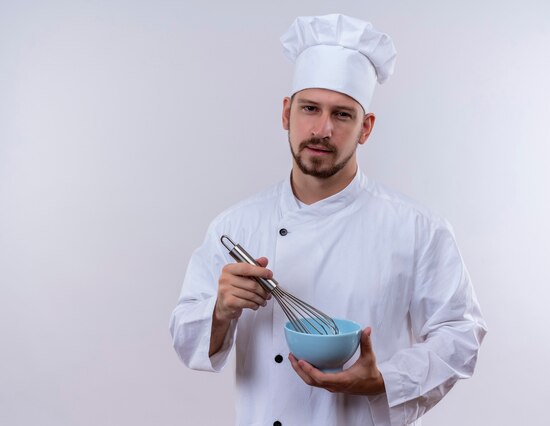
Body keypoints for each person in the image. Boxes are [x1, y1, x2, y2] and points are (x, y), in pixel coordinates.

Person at [170, 13, 487, 426]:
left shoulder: (418, 229)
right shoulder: (235, 226)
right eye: (309, 109)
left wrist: (385, 380)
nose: (321, 129)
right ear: (286, 114)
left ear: (365, 128)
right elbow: (184, 336)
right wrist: (221, 310)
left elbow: (461, 334)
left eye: (342, 115)